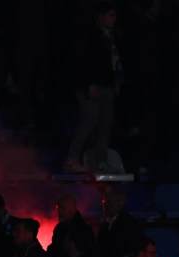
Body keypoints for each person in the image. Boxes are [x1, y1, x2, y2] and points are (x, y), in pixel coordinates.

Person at [65, 3, 121, 172]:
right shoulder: (89, 35)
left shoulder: (111, 37)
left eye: (114, 15)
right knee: (88, 122)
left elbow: (112, 63)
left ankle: (101, 162)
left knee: (105, 125)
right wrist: (89, 83)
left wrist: (115, 82)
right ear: (101, 16)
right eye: (110, 15)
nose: (114, 19)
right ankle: (72, 159)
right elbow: (83, 61)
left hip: (107, 86)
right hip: (92, 86)